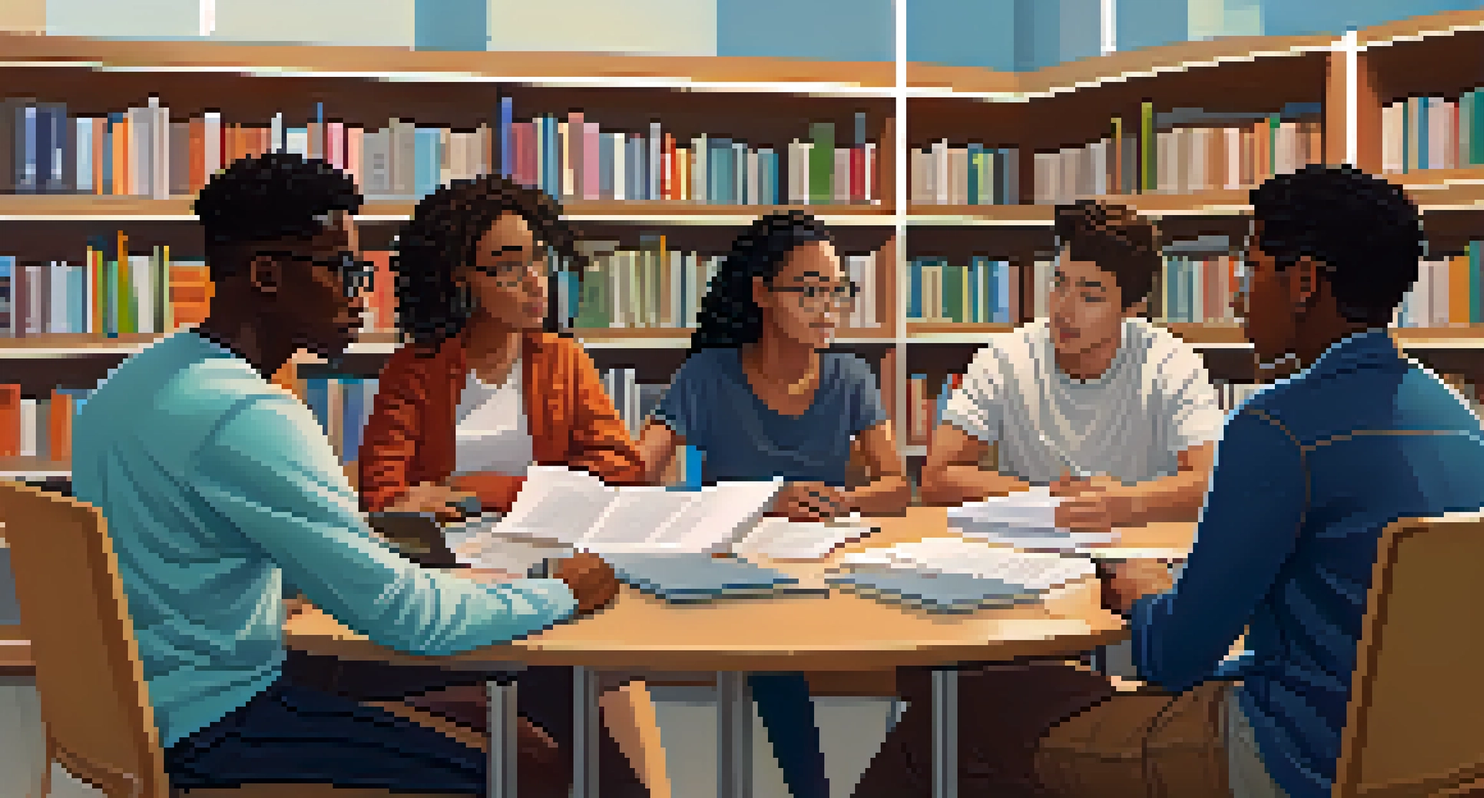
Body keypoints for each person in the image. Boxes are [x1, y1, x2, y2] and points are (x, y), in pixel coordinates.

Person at [852, 164, 1484, 798]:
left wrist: (1144, 590)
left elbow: (1173, 658)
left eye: (1252, 269)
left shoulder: (1278, 428)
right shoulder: (1461, 421)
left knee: (954, 713)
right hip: (1432, 763)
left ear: (1304, 281)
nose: (1237, 293)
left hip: (1289, 761)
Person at [69, 153, 621, 797]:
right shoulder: (249, 413)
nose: (361, 292)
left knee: (520, 712)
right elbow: (410, 618)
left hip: (150, 703)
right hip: (220, 725)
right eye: (344, 270)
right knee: (528, 773)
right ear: (267, 275)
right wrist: (560, 592)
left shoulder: (142, 378)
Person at [350, 174, 658, 797]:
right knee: (564, 705)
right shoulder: (416, 368)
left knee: (579, 700)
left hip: (541, 559)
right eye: (508, 267)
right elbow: (382, 495)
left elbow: (622, 467)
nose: (534, 282)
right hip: (449, 576)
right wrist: (541, 484)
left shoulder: (562, 360)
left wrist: (478, 488)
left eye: (538, 260)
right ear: (462, 277)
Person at [635, 210, 910, 798]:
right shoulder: (709, 375)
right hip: (736, 564)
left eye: (838, 291)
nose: (827, 308)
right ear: (761, 293)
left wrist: (840, 503)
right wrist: (763, 501)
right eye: (810, 291)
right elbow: (637, 475)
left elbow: (895, 485)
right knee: (768, 649)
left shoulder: (851, 377)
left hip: (828, 556)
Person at [922, 200, 1224, 532]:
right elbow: (937, 477)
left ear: (1133, 308)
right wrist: (1050, 502)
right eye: (1059, 283)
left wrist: (1124, 503)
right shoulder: (1005, 357)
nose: (1063, 309)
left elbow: (1211, 480)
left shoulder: (1172, 363)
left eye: (1090, 296)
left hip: (1141, 550)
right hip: (1036, 549)